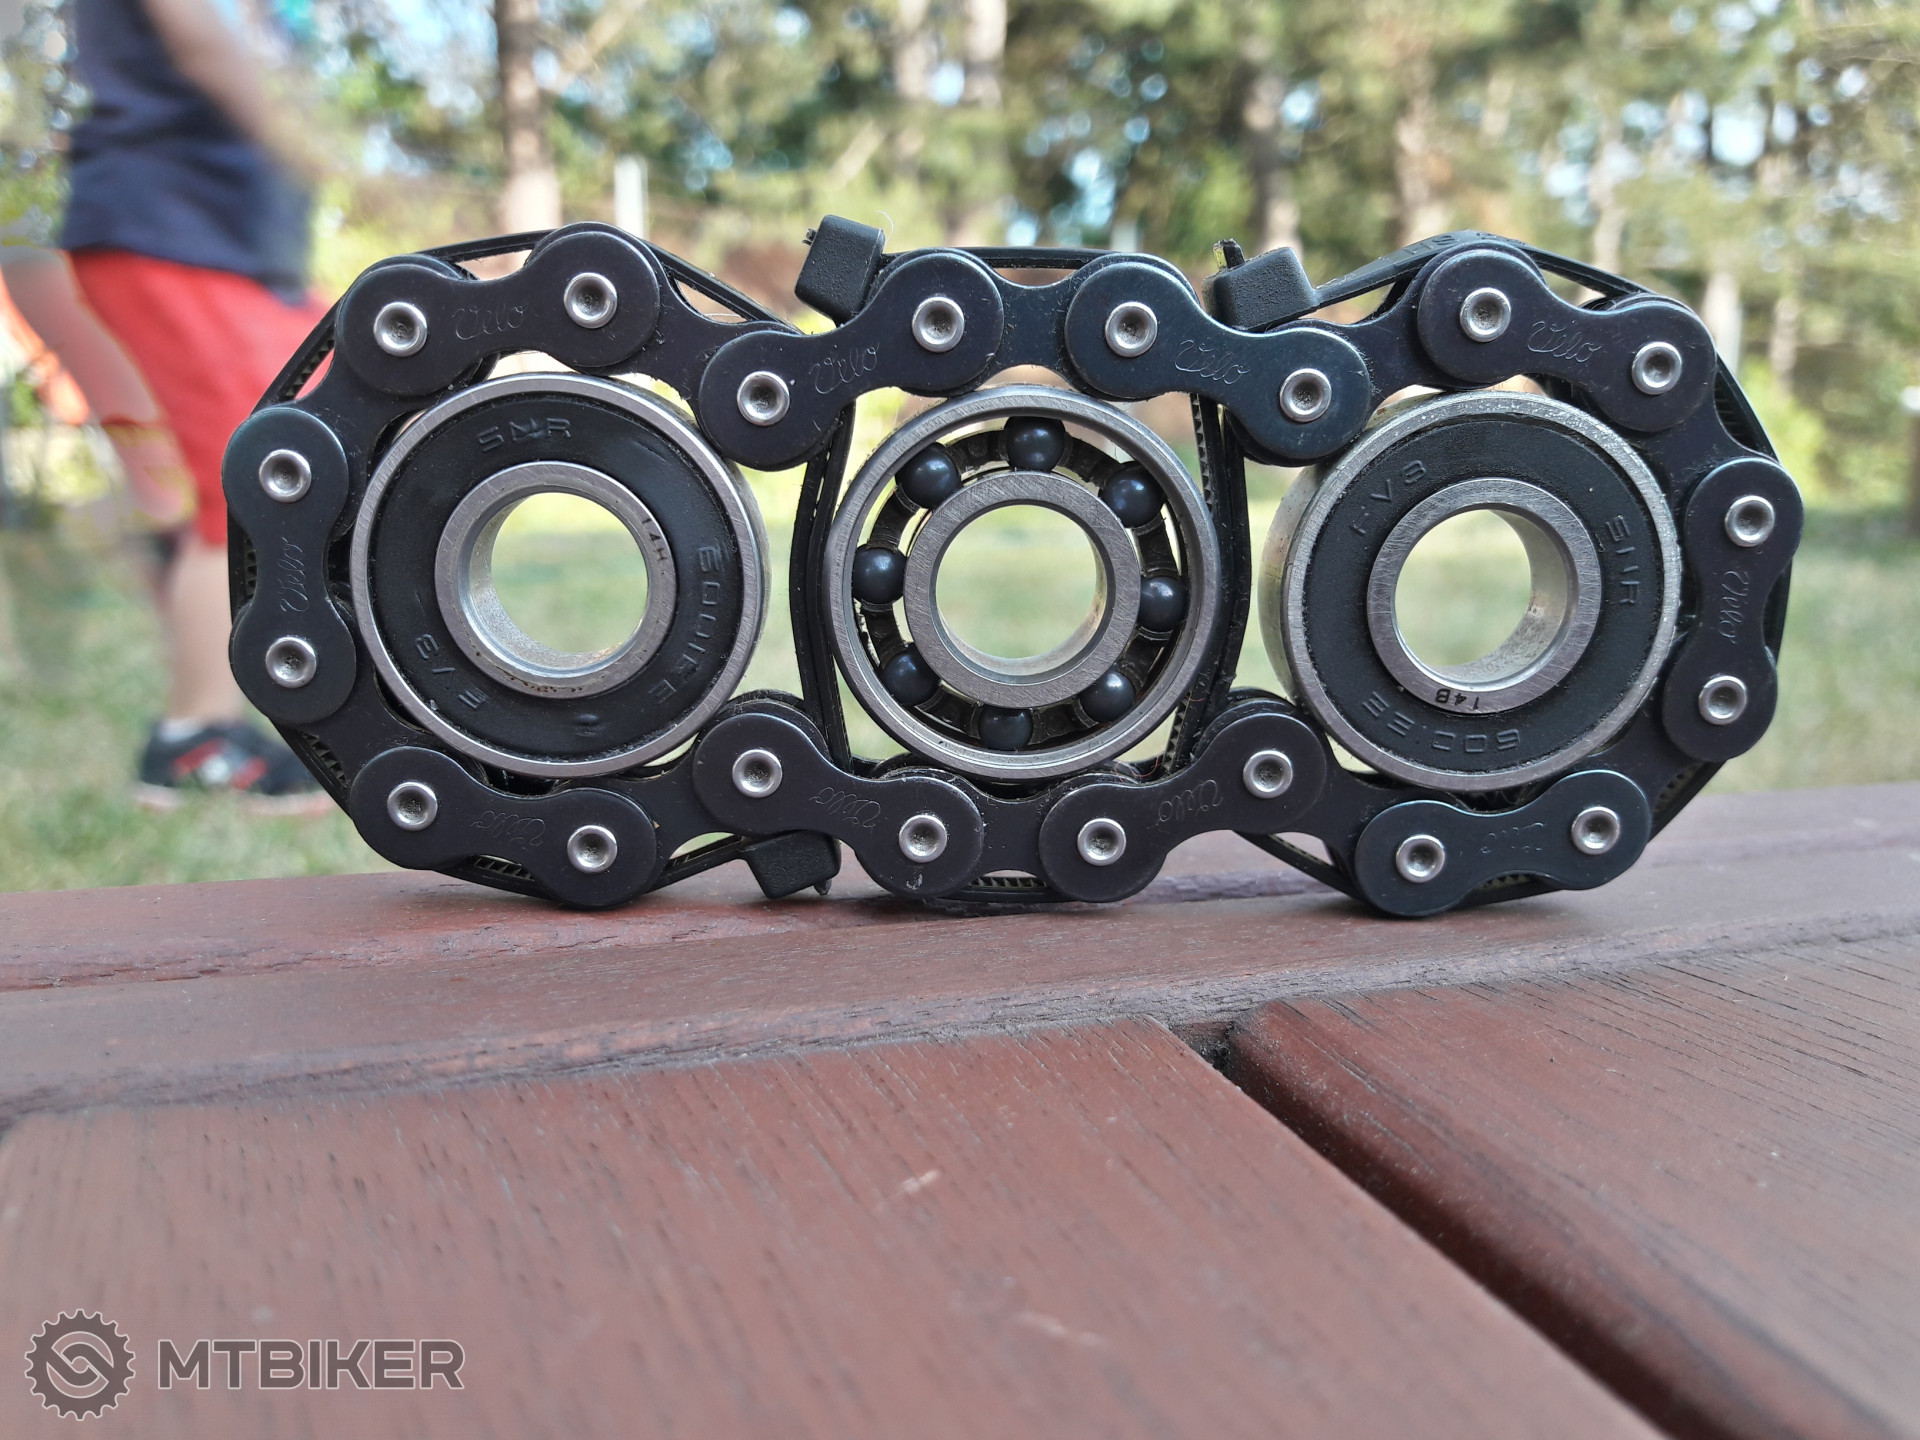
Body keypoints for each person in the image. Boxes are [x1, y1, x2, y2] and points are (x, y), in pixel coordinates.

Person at [59, 0, 331, 810]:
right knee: (253, 484)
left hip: (221, 238)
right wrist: (291, 141)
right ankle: (195, 735)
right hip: (167, 223)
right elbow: (195, 32)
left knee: (323, 440)